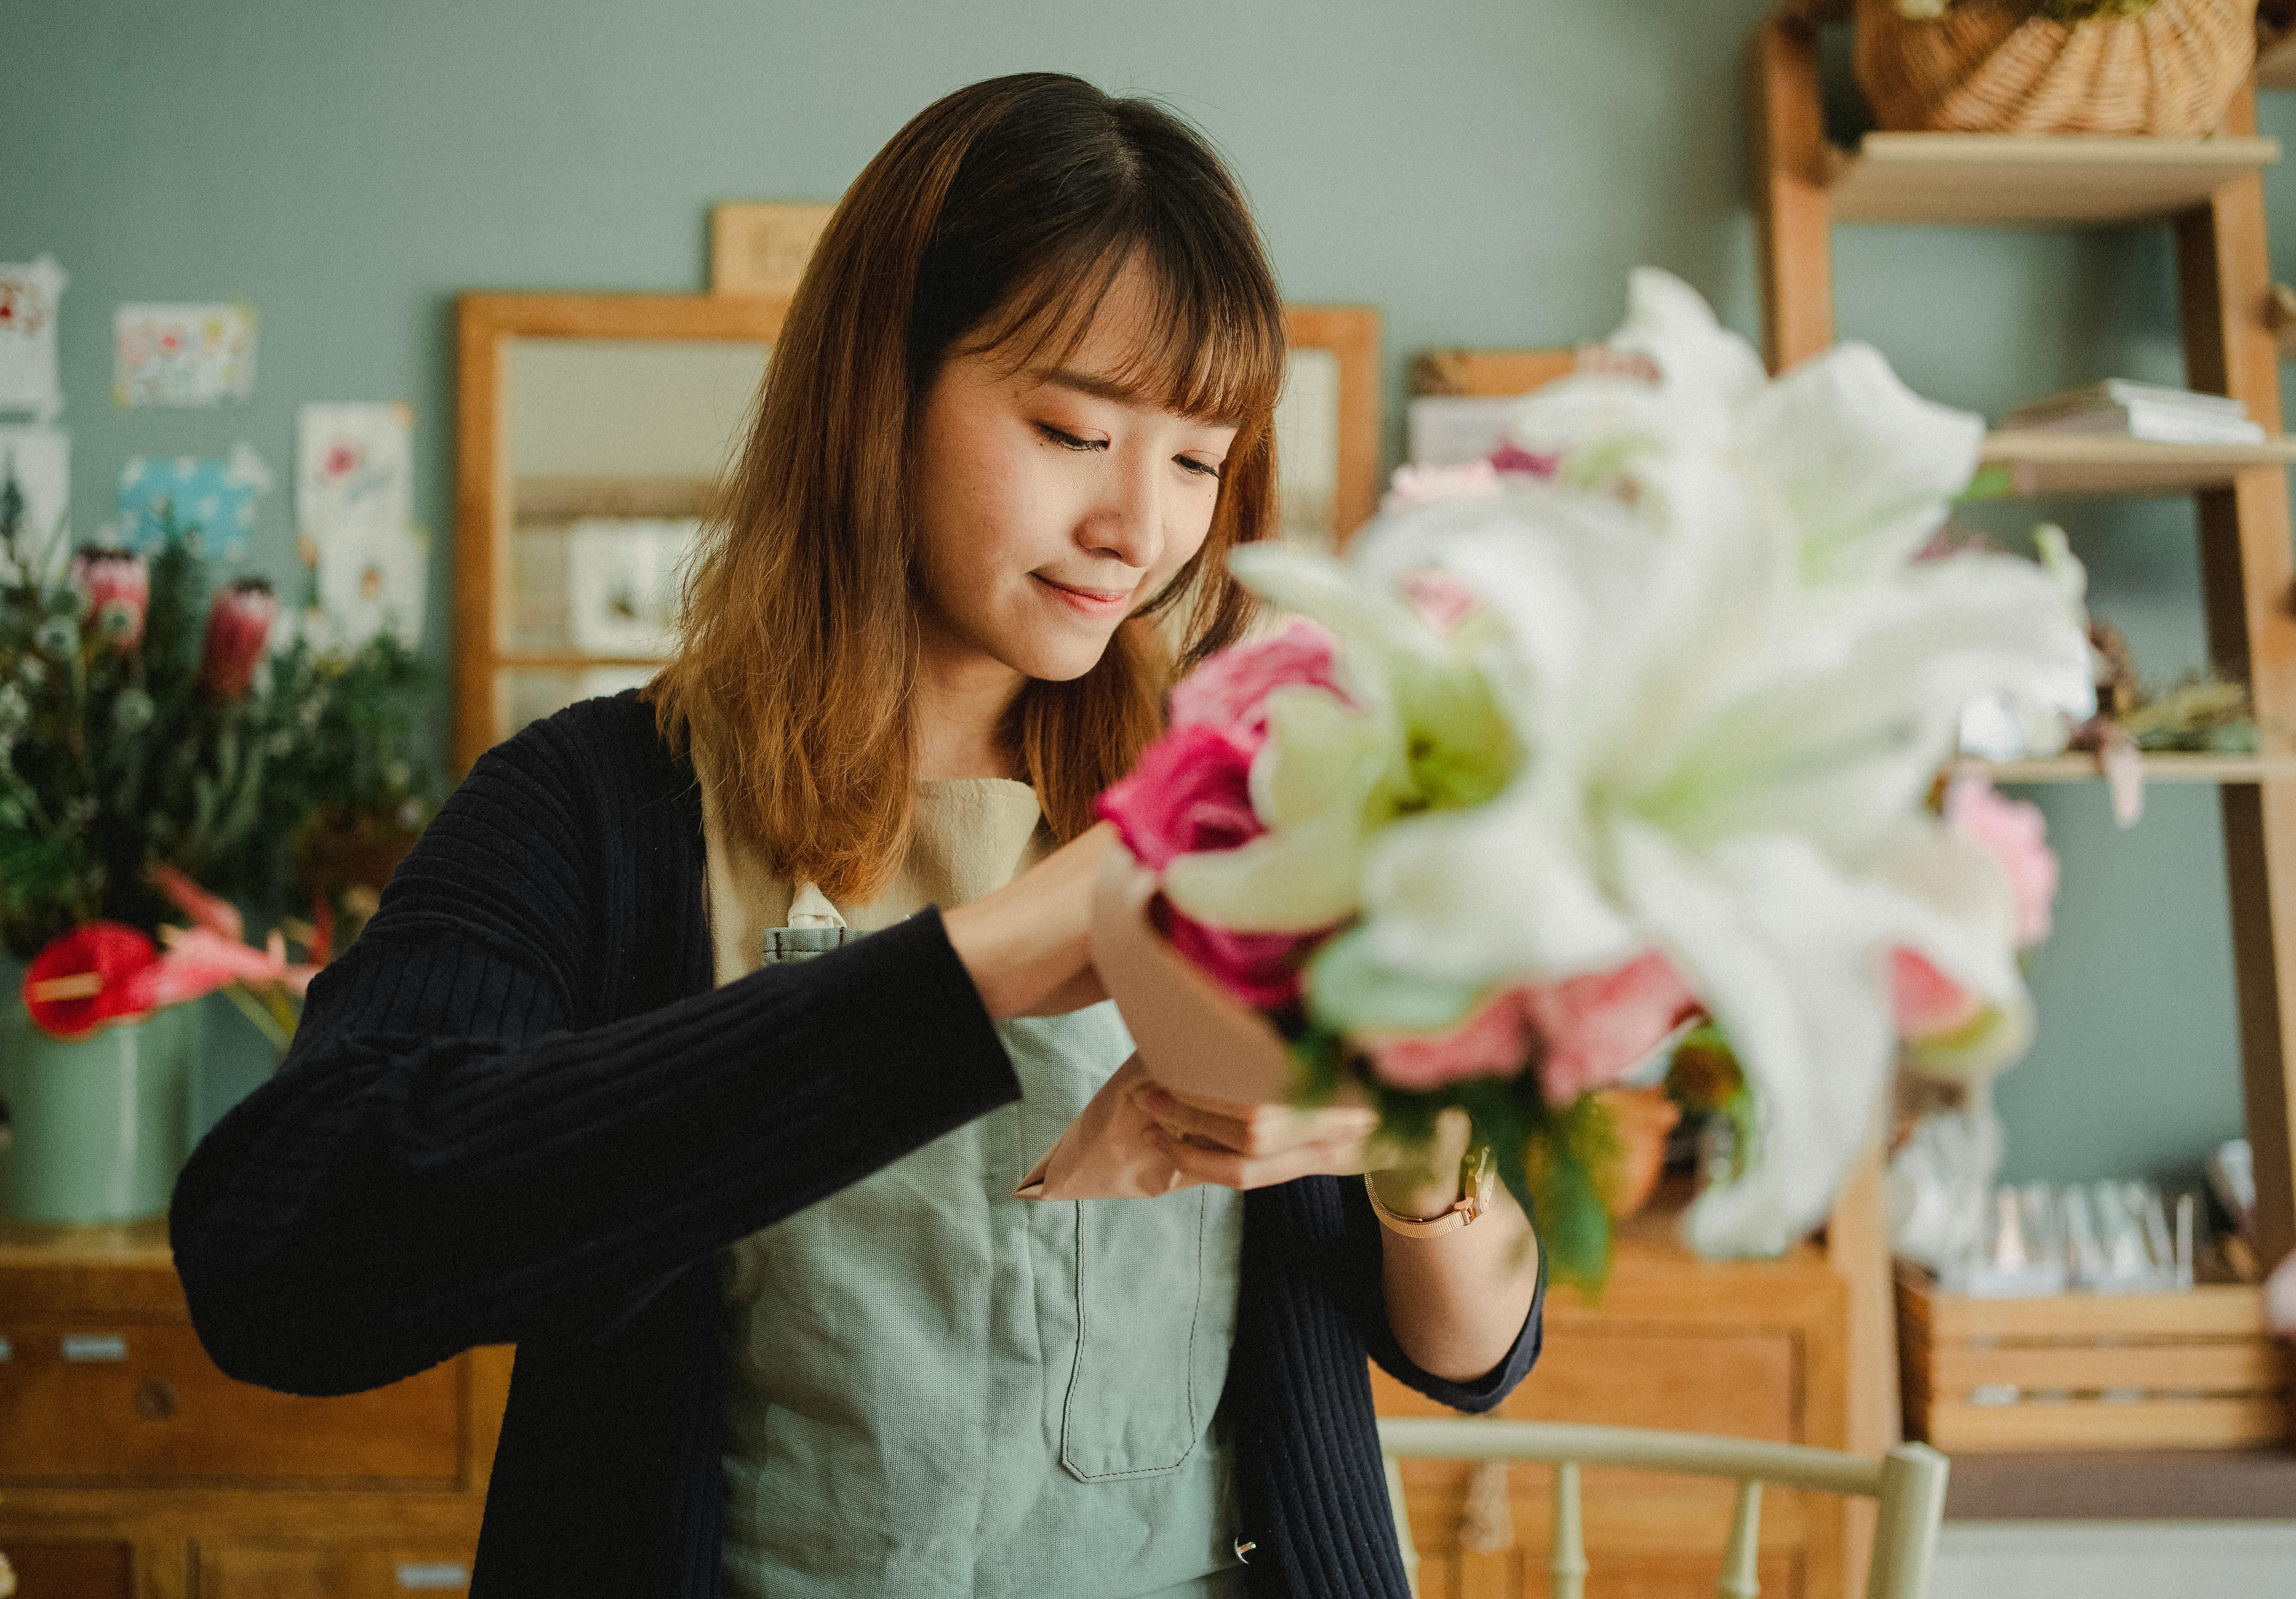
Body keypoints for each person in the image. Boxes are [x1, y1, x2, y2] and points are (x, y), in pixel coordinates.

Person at [170, 72, 1544, 1599]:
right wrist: (993, 959)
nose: (1138, 528)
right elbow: (279, 1262)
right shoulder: (598, 811)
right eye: (1074, 429)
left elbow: (1476, 1351)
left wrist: (1421, 1151)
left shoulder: (1263, 796)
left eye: (1199, 461)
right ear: (878, 387)